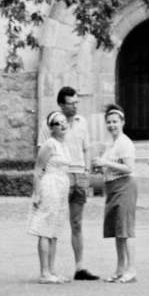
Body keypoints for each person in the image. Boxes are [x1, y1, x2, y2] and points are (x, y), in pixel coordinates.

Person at [55, 86, 99, 280]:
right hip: (61, 175)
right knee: (54, 221)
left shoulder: (82, 122)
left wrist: (87, 173)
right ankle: (50, 269)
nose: (75, 107)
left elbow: (87, 149)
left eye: (76, 103)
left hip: (79, 175)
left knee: (77, 222)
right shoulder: (54, 122)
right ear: (61, 105)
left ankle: (80, 267)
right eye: (71, 103)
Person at [92, 103, 137, 283]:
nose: (112, 125)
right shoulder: (111, 144)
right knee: (118, 230)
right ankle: (120, 269)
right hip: (112, 187)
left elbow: (129, 167)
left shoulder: (125, 142)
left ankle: (131, 269)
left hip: (125, 186)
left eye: (115, 122)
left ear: (122, 122)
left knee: (126, 229)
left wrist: (106, 163)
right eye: (109, 122)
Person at [28, 110, 71, 283]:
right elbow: (38, 170)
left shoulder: (64, 145)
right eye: (58, 123)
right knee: (45, 229)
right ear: (51, 128)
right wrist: (37, 193)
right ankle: (44, 272)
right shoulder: (49, 144)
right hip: (50, 185)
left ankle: (52, 271)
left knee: (55, 230)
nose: (62, 125)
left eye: (64, 122)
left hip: (62, 187)